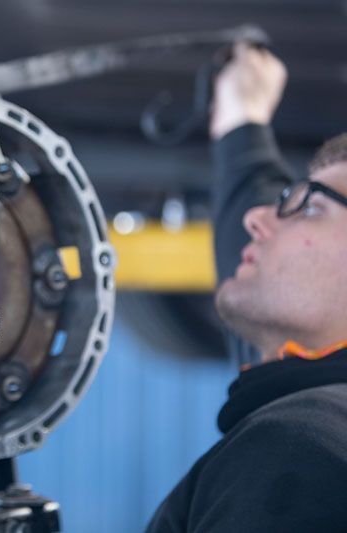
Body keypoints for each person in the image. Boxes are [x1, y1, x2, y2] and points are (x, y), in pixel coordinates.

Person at [147, 43, 347, 531]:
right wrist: (242, 118)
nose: (258, 218)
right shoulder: (309, 400)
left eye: (311, 206)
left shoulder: (299, 450)